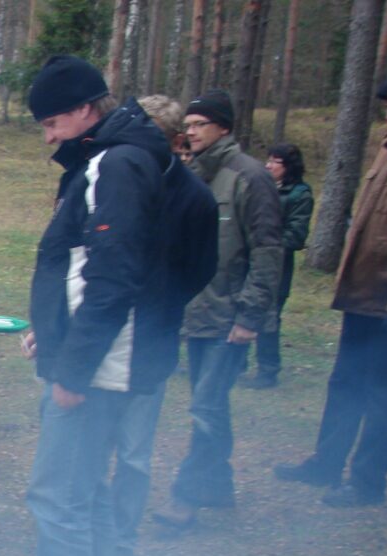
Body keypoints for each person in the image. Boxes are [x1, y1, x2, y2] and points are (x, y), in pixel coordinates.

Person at [0, 56, 172, 556]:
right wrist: (54, 331)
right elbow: (82, 267)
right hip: (102, 357)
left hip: (98, 368)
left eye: (52, 122)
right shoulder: (120, 155)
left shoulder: (116, 164)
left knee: (58, 496)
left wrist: (75, 367)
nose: (47, 137)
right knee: (87, 489)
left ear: (87, 110)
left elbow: (113, 275)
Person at [153, 89, 282, 528]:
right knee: (210, 404)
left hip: (232, 316)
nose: (189, 133)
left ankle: (185, 497)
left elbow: (268, 250)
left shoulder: (250, 177)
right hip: (199, 314)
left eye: (199, 124)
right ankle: (220, 486)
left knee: (206, 406)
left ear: (224, 127)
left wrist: (251, 316)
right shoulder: (195, 176)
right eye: (186, 126)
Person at [108, 95, 219, 556]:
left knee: (133, 454)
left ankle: (120, 538)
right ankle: (86, 536)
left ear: (175, 143)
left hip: (151, 343)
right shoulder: (113, 178)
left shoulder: (195, 199)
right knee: (88, 449)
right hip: (101, 337)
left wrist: (158, 305)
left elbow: (199, 271)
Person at [273, 83, 387, 507]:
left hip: (385, 302)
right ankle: (327, 462)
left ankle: (367, 483)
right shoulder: (385, 149)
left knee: (382, 395)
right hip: (364, 295)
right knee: (345, 383)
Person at [240, 143, 314, 388]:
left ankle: (268, 370)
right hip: (250, 260)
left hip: (278, 265)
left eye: (275, 162)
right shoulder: (261, 186)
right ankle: (236, 364)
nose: (268, 165)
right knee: (241, 309)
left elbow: (296, 235)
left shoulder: (299, 194)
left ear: (288, 167)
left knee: (269, 317)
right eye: (268, 160)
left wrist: (266, 244)